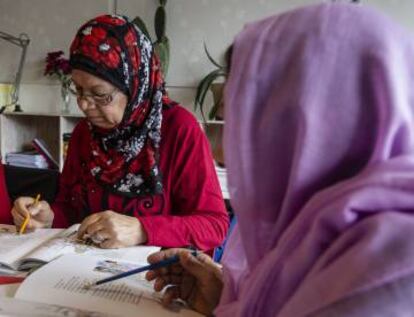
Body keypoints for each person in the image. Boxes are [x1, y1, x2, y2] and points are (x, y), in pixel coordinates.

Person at [146, 3, 414, 316]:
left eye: (252, 137)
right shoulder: (312, 232)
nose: (222, 156)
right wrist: (226, 298)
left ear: (319, 129)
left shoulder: (389, 267)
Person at [11, 15, 229, 251]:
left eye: (99, 94)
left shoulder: (178, 129)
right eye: (79, 89)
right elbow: (72, 210)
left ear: (135, 85)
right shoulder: (85, 134)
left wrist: (142, 229)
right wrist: (49, 216)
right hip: (82, 272)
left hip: (156, 276)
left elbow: (214, 225)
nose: (84, 104)